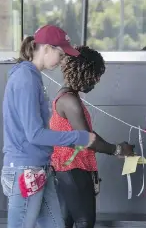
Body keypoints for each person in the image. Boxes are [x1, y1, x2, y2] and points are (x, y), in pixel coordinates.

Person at [1, 25, 98, 228]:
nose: (63, 60)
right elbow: (35, 134)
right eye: (61, 53)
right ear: (46, 48)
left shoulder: (32, 77)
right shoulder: (25, 78)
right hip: (25, 170)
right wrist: (79, 137)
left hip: (38, 168)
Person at [49, 45, 135, 228]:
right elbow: (87, 138)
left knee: (66, 222)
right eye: (95, 76)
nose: (95, 82)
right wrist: (118, 149)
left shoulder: (66, 95)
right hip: (73, 169)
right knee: (85, 221)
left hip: (67, 169)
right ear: (84, 73)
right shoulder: (69, 101)